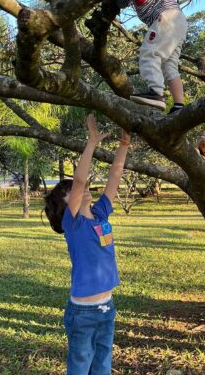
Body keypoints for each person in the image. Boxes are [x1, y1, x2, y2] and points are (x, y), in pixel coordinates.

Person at [44, 114, 130, 374]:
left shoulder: (101, 214)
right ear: (64, 205)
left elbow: (114, 177)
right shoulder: (74, 225)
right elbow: (80, 181)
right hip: (83, 313)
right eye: (69, 191)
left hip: (107, 307)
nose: (79, 189)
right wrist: (91, 142)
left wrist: (124, 145)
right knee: (80, 367)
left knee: (102, 365)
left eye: (74, 188)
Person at [116, 0, 187, 114]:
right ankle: (179, 106)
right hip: (177, 21)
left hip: (167, 17)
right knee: (168, 65)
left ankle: (156, 93)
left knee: (150, 52)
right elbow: (121, 1)